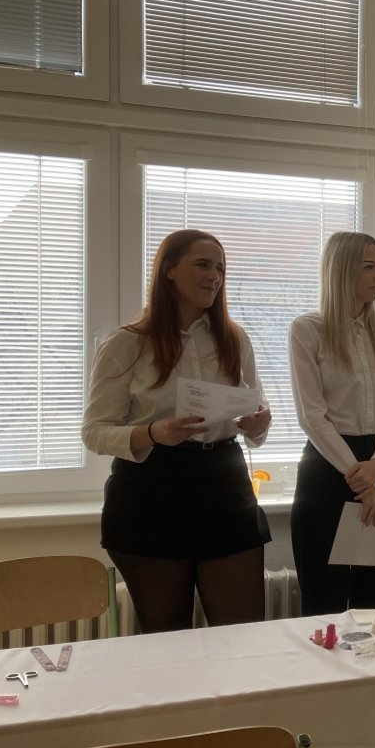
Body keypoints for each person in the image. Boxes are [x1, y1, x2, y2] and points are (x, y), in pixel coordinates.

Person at [82, 229, 271, 633]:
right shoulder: (127, 343)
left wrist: (259, 423)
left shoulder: (234, 339)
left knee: (243, 635)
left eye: (220, 268)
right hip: (152, 490)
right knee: (166, 639)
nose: (214, 276)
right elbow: (94, 432)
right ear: (168, 270)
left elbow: (253, 416)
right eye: (203, 265)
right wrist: (153, 433)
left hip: (224, 485)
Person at [290, 231, 375, 616]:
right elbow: (312, 417)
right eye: (369, 267)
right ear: (342, 270)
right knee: (323, 601)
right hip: (328, 467)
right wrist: (361, 480)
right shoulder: (308, 329)